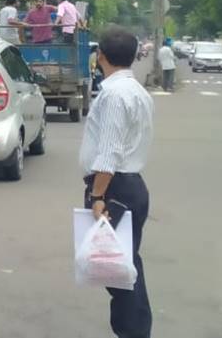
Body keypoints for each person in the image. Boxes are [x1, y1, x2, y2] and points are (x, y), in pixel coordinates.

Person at [80, 27, 153, 338]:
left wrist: (98, 196)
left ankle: (133, 332)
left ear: (100, 56)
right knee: (124, 265)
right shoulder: (136, 90)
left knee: (118, 270)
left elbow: (110, 151)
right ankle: (135, 330)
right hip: (129, 185)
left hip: (114, 189)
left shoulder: (113, 95)